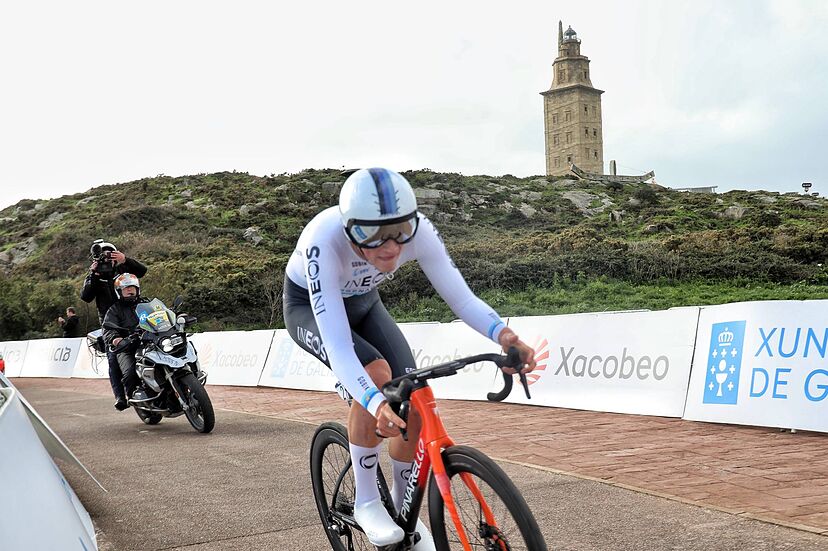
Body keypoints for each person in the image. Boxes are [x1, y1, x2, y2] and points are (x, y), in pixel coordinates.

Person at [283, 167, 536, 548]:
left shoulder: (420, 230)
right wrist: (372, 399)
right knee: (376, 373)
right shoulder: (323, 241)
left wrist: (506, 336)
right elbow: (338, 346)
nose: (390, 247)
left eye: (401, 231)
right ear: (350, 228)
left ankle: (407, 518)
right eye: (372, 235)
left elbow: (462, 298)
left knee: (413, 397)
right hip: (308, 307)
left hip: (366, 304)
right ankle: (367, 501)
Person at [80, 240, 147, 410]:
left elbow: (142, 271)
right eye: (103, 254)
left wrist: (126, 260)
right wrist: (93, 274)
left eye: (111, 254)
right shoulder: (95, 274)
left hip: (133, 311)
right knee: (113, 356)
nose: (107, 258)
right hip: (110, 320)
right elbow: (86, 296)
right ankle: (120, 396)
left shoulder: (123, 268)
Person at [102, 273, 148, 405]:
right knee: (129, 373)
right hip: (128, 346)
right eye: (126, 288)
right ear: (119, 291)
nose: (129, 290)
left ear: (137, 289)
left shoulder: (147, 303)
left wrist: (175, 316)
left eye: (132, 287)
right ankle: (133, 396)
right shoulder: (114, 310)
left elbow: (162, 312)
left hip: (151, 342)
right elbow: (108, 329)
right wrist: (116, 339)